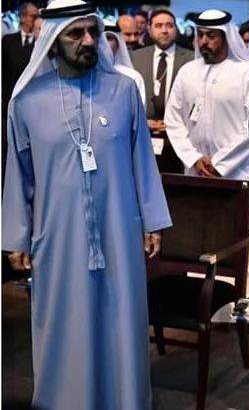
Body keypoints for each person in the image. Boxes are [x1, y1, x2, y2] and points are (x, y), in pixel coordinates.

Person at [2, 0, 172, 408]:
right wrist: (17, 237)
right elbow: (18, 175)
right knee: (64, 320)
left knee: (122, 319)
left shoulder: (123, 92)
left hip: (120, 230)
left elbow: (142, 161)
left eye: (93, 31)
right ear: (53, 41)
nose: (89, 41)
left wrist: (152, 219)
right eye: (76, 34)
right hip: (57, 235)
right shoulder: (27, 102)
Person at [164, 9, 249, 297]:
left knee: (245, 236)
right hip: (197, 171)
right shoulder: (187, 72)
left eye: (211, 36)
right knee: (200, 235)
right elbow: (174, 119)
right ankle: (201, 299)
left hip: (241, 170)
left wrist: (220, 161)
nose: (204, 42)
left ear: (226, 37)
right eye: (200, 35)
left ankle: (243, 301)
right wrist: (194, 158)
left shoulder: (245, 73)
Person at [131, 8, 194, 173]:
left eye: (169, 25)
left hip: (180, 140)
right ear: (149, 30)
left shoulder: (192, 58)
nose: (164, 30)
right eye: (158, 26)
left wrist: (174, 123)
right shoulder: (135, 57)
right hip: (144, 138)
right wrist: (144, 122)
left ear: (176, 29)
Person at [2, 2, 39, 176]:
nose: (36, 20)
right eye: (33, 16)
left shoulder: (40, 44)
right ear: (23, 18)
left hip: (32, 105)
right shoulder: (8, 41)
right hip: (8, 104)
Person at [104, 26, 146, 105]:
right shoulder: (87, 75)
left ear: (118, 44)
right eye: (100, 38)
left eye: (108, 38)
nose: (103, 42)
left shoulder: (132, 77)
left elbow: (139, 109)